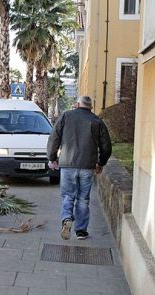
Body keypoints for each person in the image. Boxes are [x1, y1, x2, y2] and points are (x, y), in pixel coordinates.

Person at [47, 96, 112, 240]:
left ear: (77, 105)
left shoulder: (66, 116)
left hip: (67, 165)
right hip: (87, 166)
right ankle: (81, 231)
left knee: (68, 195)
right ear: (91, 107)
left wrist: (52, 158)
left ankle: (67, 218)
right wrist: (100, 164)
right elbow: (106, 146)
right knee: (83, 199)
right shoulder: (97, 121)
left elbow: (54, 138)